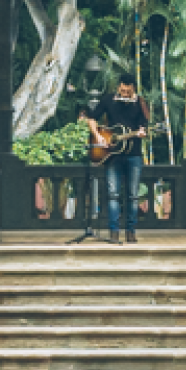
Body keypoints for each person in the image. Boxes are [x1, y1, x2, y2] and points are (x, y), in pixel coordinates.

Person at [78, 73, 149, 244]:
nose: (124, 94)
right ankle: (114, 232)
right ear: (118, 87)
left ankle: (131, 232)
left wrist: (141, 132)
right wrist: (98, 136)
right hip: (111, 155)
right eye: (122, 90)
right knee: (113, 194)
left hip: (133, 154)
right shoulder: (109, 100)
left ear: (133, 89)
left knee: (132, 195)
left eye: (128, 91)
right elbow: (91, 118)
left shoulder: (140, 103)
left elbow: (144, 127)